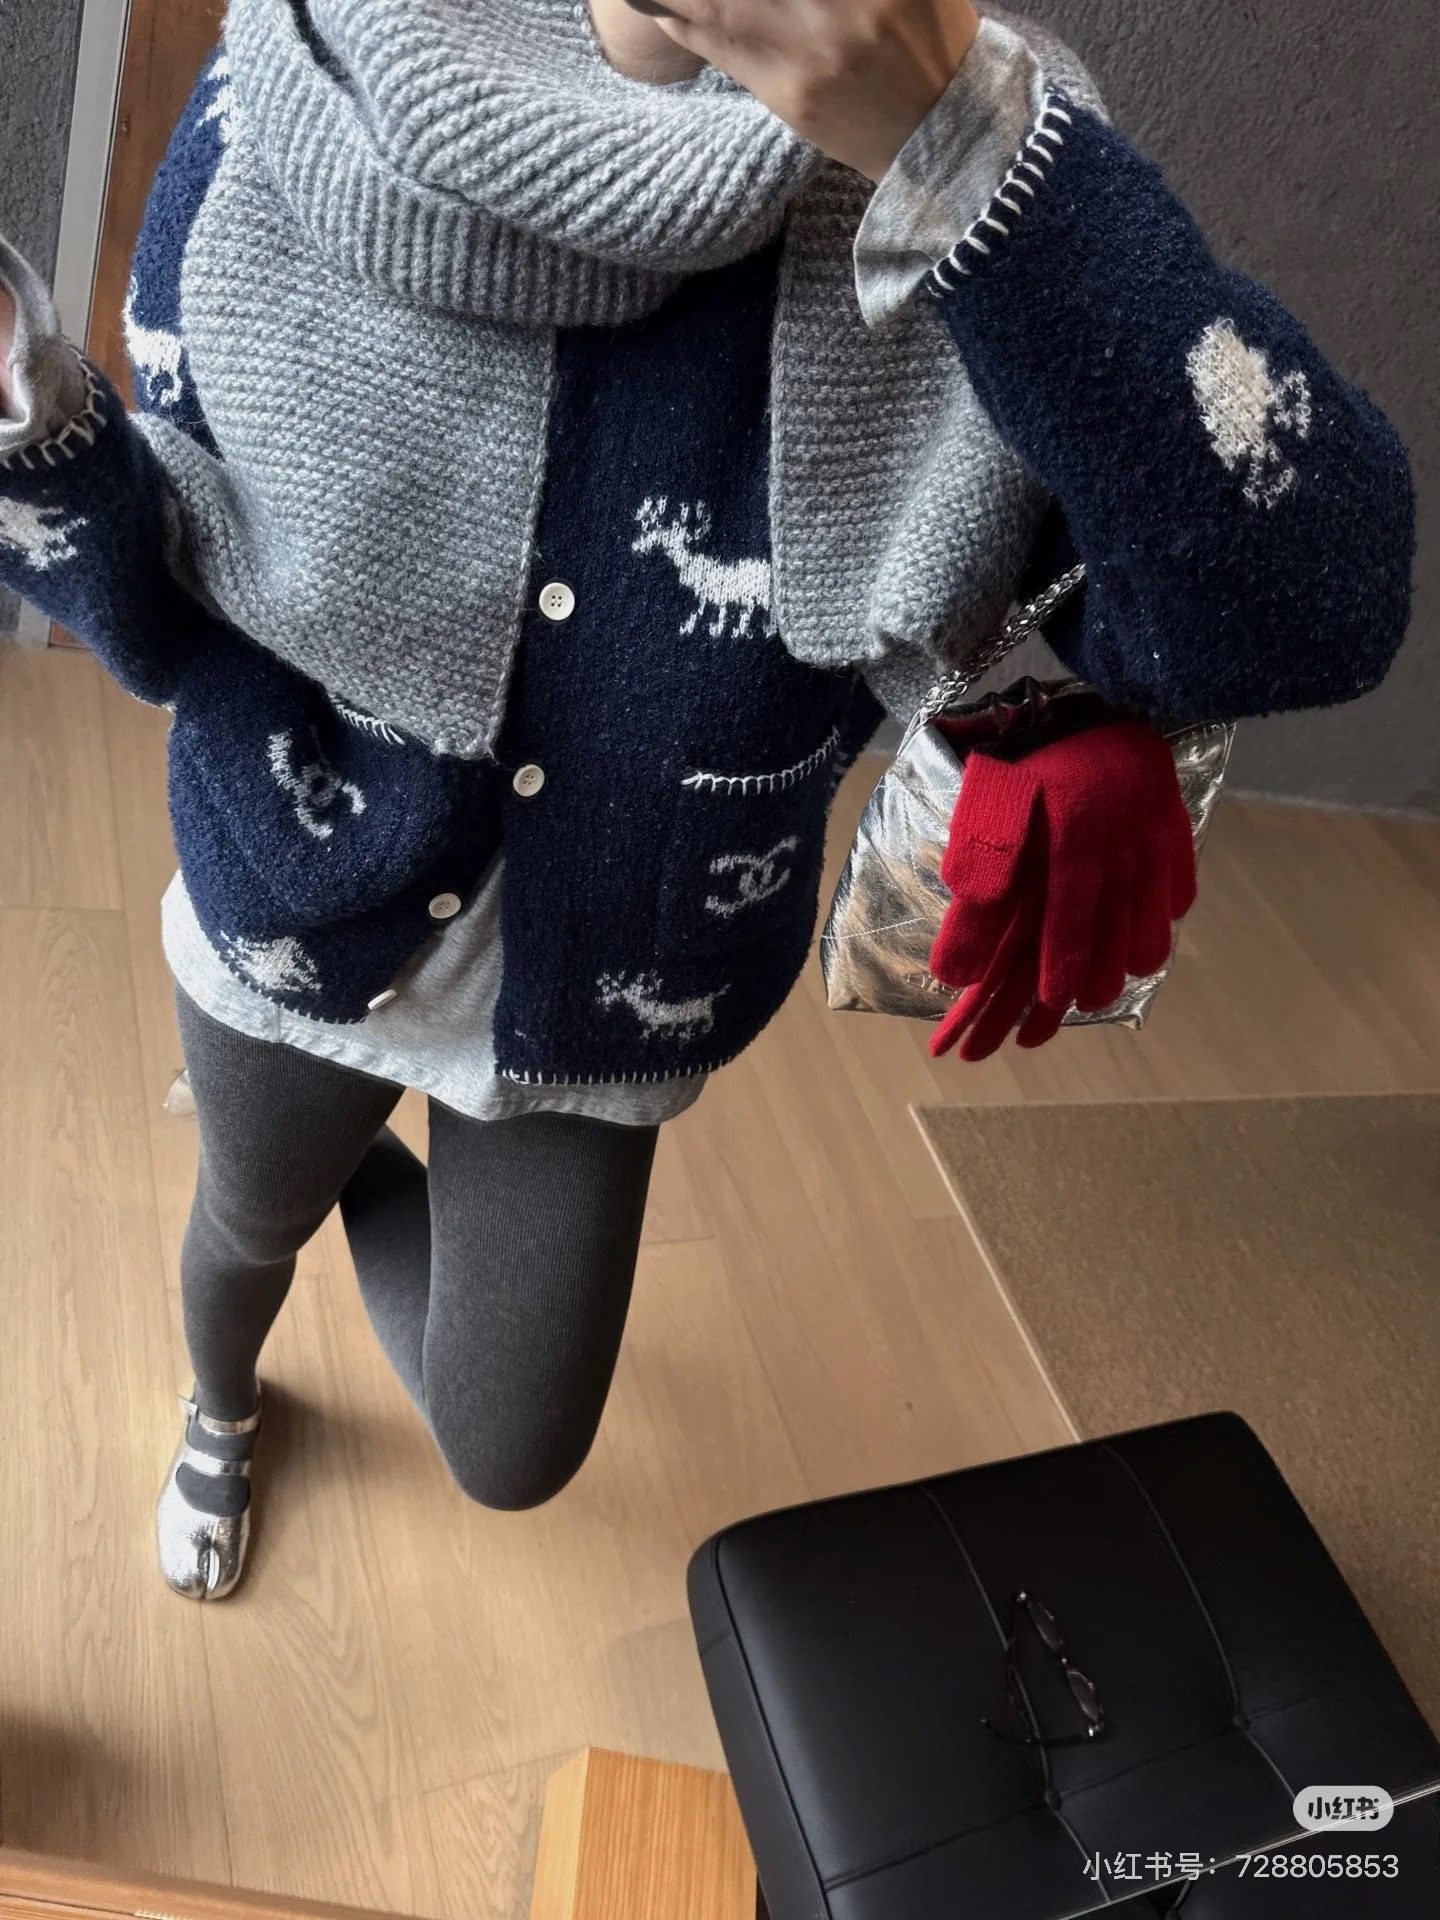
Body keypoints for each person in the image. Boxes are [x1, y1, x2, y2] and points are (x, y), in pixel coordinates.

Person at [0, 0, 1413, 1601]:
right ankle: (223, 1406)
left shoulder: (977, 153)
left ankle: (329, 1184)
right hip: (303, 909)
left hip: (623, 977)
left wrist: (961, 150)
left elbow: (1316, 605)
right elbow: (161, 607)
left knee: (510, 1449)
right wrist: (29, 423)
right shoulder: (294, 86)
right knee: (246, 1227)